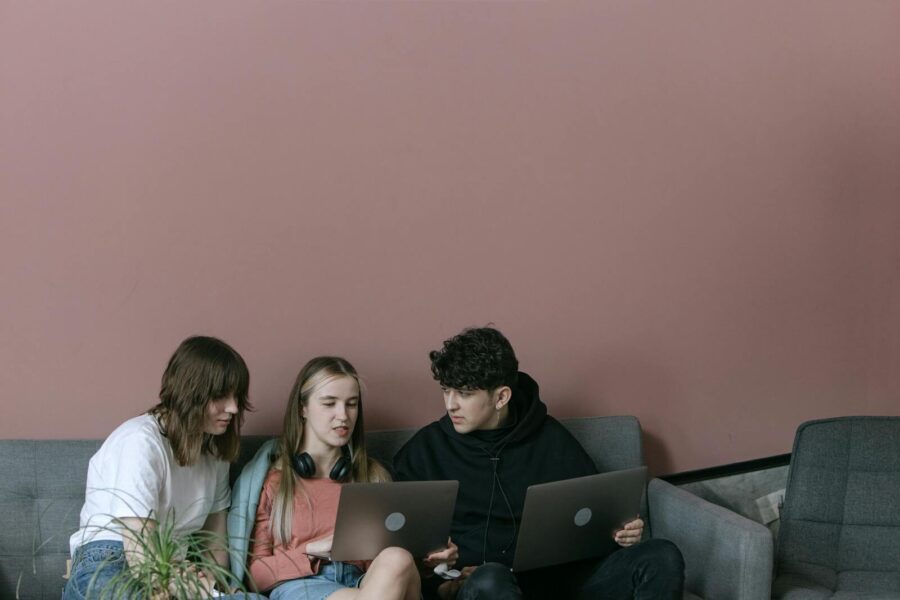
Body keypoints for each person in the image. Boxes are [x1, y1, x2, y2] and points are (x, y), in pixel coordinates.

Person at [393, 327, 685, 600]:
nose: (450, 404)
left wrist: (621, 532)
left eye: (465, 393)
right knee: (490, 579)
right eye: (446, 390)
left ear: (502, 397)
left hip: (556, 580)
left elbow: (595, 520)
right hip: (481, 584)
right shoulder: (423, 451)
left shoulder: (551, 439)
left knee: (661, 555)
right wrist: (438, 570)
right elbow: (403, 553)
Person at [230, 356, 448, 600]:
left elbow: (402, 573)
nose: (343, 415)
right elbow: (253, 576)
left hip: (367, 582)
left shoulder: (374, 476)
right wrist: (311, 550)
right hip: (303, 586)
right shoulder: (272, 481)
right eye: (329, 403)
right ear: (303, 408)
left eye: (351, 404)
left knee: (398, 557)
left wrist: (430, 560)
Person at [64, 335, 260, 599]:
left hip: (173, 568)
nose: (234, 408)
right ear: (190, 393)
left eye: (236, 396)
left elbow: (214, 543)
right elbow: (141, 554)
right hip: (112, 561)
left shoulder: (215, 453)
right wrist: (187, 587)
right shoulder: (141, 441)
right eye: (221, 396)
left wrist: (222, 587)